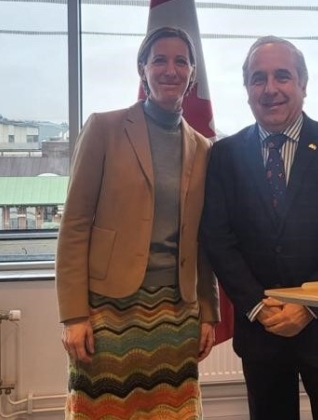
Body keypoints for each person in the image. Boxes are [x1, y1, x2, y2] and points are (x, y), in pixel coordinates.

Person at [201, 36, 318, 420]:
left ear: (303, 84)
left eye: (283, 76)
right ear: (246, 89)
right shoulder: (225, 155)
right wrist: (259, 305)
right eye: (258, 78)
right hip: (261, 330)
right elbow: (218, 239)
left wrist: (309, 305)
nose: (270, 89)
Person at [55, 26, 219, 420]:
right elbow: (75, 224)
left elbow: (203, 239)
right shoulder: (105, 129)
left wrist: (209, 312)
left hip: (175, 312)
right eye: (159, 59)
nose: (170, 69)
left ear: (192, 74)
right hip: (108, 311)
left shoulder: (203, 148)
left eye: (181, 61)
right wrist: (74, 315)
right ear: (142, 68)